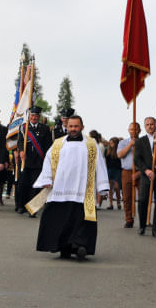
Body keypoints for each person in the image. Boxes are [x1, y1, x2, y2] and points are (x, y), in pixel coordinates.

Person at [33, 115, 110, 261]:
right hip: (61, 188)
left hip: (83, 190)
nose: (73, 129)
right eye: (71, 126)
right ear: (67, 127)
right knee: (59, 219)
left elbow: (100, 164)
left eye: (76, 126)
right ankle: (63, 248)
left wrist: (102, 186)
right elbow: (48, 162)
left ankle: (80, 246)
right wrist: (47, 179)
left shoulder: (91, 144)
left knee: (81, 219)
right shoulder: (58, 144)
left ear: (82, 127)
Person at [16, 106, 53, 215]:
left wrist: (47, 162)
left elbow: (48, 146)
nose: (34, 117)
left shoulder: (45, 129)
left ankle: (33, 208)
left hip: (38, 162)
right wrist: (21, 151)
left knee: (35, 187)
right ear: (29, 116)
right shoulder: (23, 127)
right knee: (23, 185)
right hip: (25, 161)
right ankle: (21, 206)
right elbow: (19, 141)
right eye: (32, 115)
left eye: (36, 116)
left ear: (39, 117)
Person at [117, 122, 141, 228]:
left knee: (143, 197)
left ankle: (144, 219)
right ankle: (129, 219)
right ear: (128, 130)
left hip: (140, 172)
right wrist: (130, 144)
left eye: (135, 129)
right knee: (126, 197)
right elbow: (120, 155)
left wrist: (139, 172)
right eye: (131, 129)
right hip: (126, 171)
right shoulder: (123, 142)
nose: (133, 131)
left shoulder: (143, 142)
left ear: (139, 130)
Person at [105, 137, 122, 210]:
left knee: (117, 187)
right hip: (109, 170)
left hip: (117, 170)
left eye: (112, 143)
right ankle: (111, 204)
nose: (111, 144)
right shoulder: (107, 150)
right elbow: (106, 161)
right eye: (110, 143)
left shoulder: (119, 150)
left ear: (116, 143)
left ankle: (118, 202)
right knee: (110, 188)